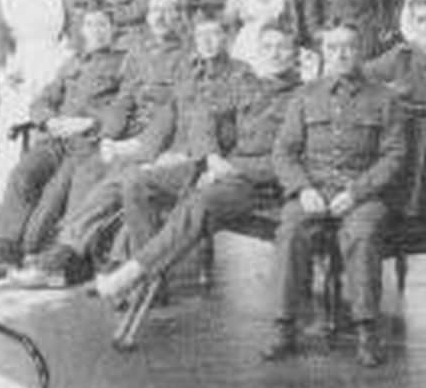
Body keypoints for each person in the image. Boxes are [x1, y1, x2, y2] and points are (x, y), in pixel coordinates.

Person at [15, 9, 246, 288]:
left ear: (228, 38)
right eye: (201, 35)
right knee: (111, 183)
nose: (207, 41)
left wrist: (203, 160)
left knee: (132, 182)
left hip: (206, 164)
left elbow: (244, 132)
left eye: (215, 34)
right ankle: (69, 250)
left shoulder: (242, 76)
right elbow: (167, 118)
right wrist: (136, 148)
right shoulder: (192, 74)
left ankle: (123, 266)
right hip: (171, 155)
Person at [93, 24, 304, 305]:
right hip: (221, 167)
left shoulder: (303, 96)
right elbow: (204, 115)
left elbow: (293, 158)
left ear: (295, 54)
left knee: (200, 201)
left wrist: (232, 170)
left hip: (260, 185)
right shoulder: (248, 84)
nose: (275, 54)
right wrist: (212, 157)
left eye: (282, 48)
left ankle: (134, 274)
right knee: (137, 182)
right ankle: (155, 285)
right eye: (268, 47)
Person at [264, 21, 408, 368]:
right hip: (313, 189)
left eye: (349, 47)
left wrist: (358, 192)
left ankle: (366, 329)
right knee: (290, 230)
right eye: (333, 47)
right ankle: (284, 326)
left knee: (362, 232)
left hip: (362, 192)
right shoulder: (305, 96)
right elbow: (283, 152)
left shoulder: (384, 99)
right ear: (322, 53)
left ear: (361, 51)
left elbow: (395, 155)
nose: (341, 54)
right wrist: (302, 189)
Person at [0, 5, 124, 281]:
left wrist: (91, 123)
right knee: (22, 174)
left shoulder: (123, 64)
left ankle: (52, 256)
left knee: (61, 194)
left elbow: (125, 107)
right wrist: (48, 120)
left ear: (113, 30)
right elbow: (42, 100)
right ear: (82, 30)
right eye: (90, 25)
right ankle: (5, 250)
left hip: (88, 142)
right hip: (56, 140)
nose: (97, 31)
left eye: (103, 24)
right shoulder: (72, 63)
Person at [0, 0, 76, 205]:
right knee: (15, 127)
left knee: (54, 126)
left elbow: (73, 33)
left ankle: (53, 199)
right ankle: (8, 199)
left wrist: (68, 66)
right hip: (20, 66)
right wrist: (3, 72)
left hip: (56, 62)